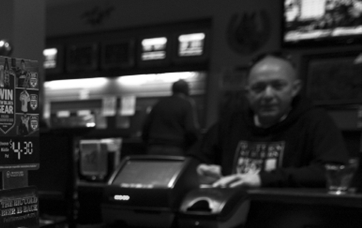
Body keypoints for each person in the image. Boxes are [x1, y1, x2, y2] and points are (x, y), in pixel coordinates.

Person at [189, 53, 348, 188]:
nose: (267, 95)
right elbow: (193, 162)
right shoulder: (230, 124)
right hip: (231, 214)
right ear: (248, 93)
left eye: (278, 86)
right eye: (258, 88)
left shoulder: (315, 121)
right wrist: (200, 170)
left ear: (294, 89)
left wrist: (261, 179)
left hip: (292, 215)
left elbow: (333, 170)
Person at [141, 79, 200, 155]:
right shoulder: (187, 104)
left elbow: (146, 126)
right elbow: (191, 129)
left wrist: (148, 143)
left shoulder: (159, 103)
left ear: (173, 90)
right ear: (187, 91)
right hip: (175, 148)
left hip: (154, 148)